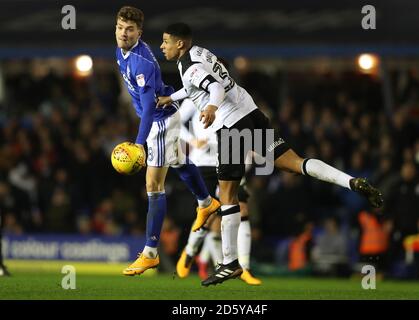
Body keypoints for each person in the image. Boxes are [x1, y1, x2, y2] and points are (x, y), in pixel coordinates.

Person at [158, 22, 384, 286]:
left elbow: (214, 89)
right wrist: (172, 97)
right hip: (251, 114)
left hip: (231, 124)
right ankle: (351, 182)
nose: (162, 46)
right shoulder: (200, 53)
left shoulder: (189, 65)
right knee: (294, 163)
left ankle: (229, 263)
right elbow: (198, 85)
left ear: (180, 44)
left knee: (228, 196)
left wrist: (210, 107)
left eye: (166, 41)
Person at [114, 7, 220, 276]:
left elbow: (149, 108)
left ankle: (150, 252)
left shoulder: (142, 64)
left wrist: (139, 144)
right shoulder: (120, 51)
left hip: (159, 122)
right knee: (178, 160)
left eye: (129, 30)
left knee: (153, 184)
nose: (123, 34)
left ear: (139, 32)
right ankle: (207, 202)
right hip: (160, 119)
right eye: (119, 28)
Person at [176, 98, 261, 285]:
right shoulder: (194, 96)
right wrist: (192, 140)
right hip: (204, 163)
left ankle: (244, 267)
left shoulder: (231, 95)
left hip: (229, 157)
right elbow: (175, 121)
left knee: (242, 208)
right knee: (208, 212)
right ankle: (190, 251)